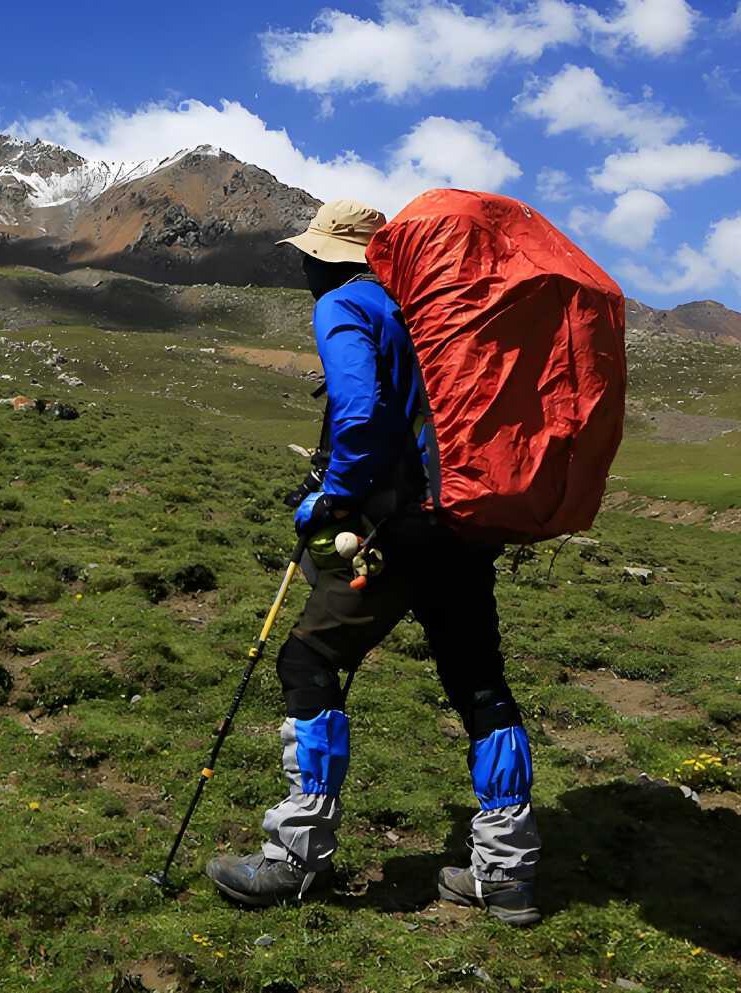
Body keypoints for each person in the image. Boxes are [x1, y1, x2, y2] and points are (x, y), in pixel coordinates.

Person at [203, 198, 541, 926]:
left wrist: (334, 498)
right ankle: (507, 873)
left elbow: (359, 413)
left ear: (329, 257)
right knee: (479, 681)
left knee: (309, 659)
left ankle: (295, 858)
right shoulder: (431, 311)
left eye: (310, 254)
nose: (304, 265)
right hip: (463, 522)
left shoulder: (348, 304)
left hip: (393, 530)